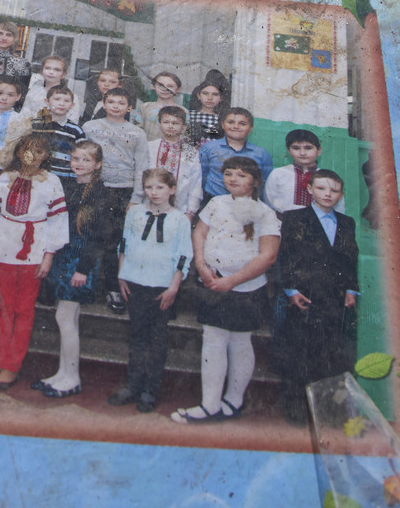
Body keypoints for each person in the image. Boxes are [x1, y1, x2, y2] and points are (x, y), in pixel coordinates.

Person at [175, 156, 280, 423]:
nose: (233, 179)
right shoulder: (216, 203)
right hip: (211, 281)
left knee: (240, 341)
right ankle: (210, 404)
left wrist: (231, 282)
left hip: (244, 288)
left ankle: (234, 400)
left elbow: (267, 256)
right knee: (213, 339)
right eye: (229, 173)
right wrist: (201, 265)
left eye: (241, 175)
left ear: (255, 181)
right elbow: (199, 233)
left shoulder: (266, 213)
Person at [0, 132, 68, 391]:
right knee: (5, 307)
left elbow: (58, 221)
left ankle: (12, 365)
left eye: (40, 152)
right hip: (4, 246)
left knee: (24, 308)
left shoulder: (52, 181)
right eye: (28, 150)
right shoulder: (5, 178)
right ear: (18, 152)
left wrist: (48, 255)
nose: (33, 156)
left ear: (45, 156)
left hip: (34, 249)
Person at [34, 140, 123, 399]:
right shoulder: (69, 186)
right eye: (75, 159)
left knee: (65, 317)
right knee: (66, 317)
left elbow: (99, 237)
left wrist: (83, 269)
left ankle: (72, 377)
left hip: (82, 260)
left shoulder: (102, 194)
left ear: (98, 165)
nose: (79, 164)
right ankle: (63, 373)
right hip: (65, 255)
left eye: (85, 160)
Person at [275, 169, 359, 426]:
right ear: (310, 189)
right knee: (299, 353)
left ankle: (325, 411)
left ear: (341, 195)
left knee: (330, 354)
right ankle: (297, 409)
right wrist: (291, 289)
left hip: (334, 299)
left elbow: (350, 259)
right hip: (304, 296)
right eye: (322, 188)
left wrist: (351, 290)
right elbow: (286, 256)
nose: (328, 194)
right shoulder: (294, 218)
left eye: (334, 190)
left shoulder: (346, 223)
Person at [110, 169, 193, 413]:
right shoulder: (134, 212)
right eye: (149, 187)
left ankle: (150, 390)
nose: (154, 193)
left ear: (172, 190)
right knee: (137, 336)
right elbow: (124, 244)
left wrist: (174, 287)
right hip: (135, 281)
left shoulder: (180, 219)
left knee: (157, 340)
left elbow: (183, 255)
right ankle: (133, 385)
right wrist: (122, 275)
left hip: (162, 286)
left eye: (159, 188)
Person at [82, 87, 148, 218]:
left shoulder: (138, 133)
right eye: (111, 102)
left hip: (124, 190)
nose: (116, 106)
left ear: (129, 107)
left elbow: (142, 166)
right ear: (104, 104)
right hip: (95, 186)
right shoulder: (89, 127)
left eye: (121, 103)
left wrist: (136, 198)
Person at [11, 84, 82, 189]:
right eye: (57, 99)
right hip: (34, 175)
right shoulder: (34, 125)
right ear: (47, 101)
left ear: (72, 105)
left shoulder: (76, 130)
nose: (61, 104)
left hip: (63, 178)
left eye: (66, 101)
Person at [198, 107, 274, 203]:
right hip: (212, 199)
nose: (236, 127)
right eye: (231, 122)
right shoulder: (208, 148)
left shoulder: (261, 154)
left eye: (242, 123)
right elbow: (201, 176)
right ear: (223, 125)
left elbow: (264, 183)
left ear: (251, 128)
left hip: (247, 203)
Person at [265, 129, 344, 215]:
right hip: (281, 224)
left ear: (319, 151)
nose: (302, 153)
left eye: (308, 148)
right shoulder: (278, 174)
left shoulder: (329, 177)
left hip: (320, 225)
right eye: (296, 148)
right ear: (289, 151)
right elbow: (269, 202)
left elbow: (338, 207)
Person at [144, 105, 203, 218]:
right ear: (159, 123)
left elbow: (196, 183)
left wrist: (190, 212)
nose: (170, 126)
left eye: (175, 123)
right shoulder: (149, 147)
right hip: (149, 204)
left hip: (180, 207)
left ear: (184, 126)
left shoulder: (190, 152)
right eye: (166, 122)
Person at [185, 73, 227, 147]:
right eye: (205, 93)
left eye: (215, 94)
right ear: (198, 95)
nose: (210, 98)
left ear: (221, 98)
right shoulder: (189, 115)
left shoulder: (223, 119)